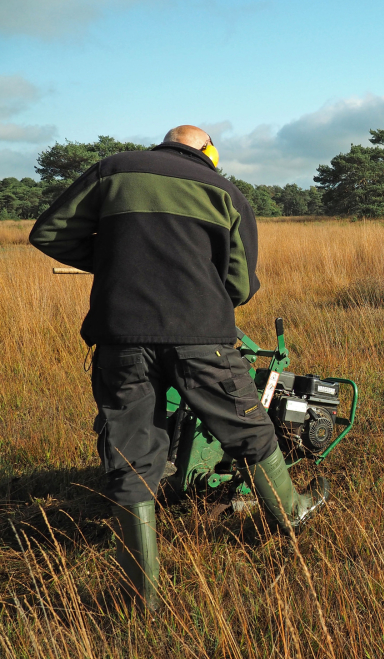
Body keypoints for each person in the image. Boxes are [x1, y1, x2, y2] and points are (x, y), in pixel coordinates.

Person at [28, 125, 329, 612]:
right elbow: (239, 284)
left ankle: (140, 596)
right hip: (200, 335)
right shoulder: (227, 192)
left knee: (131, 451)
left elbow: (48, 233)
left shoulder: (114, 170)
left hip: (120, 335)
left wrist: (115, 262)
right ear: (208, 152)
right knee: (248, 425)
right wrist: (200, 294)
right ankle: (290, 510)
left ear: (162, 145)